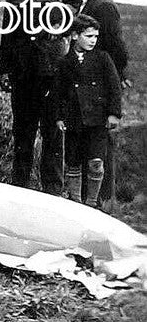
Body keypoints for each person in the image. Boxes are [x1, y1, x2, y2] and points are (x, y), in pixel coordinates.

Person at [0, 0, 74, 194]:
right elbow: (7, 32)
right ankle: (20, 189)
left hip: (50, 72)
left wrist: (58, 28)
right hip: (23, 73)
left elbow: (77, 8)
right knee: (23, 133)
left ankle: (53, 190)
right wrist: (4, 69)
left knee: (52, 132)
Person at [53, 14, 121, 206]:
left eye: (95, 37)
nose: (93, 41)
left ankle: (92, 201)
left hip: (97, 119)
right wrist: (59, 117)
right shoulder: (65, 62)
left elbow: (114, 87)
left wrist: (114, 113)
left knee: (96, 162)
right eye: (88, 36)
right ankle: (75, 200)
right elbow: (59, 92)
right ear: (75, 36)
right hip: (74, 119)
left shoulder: (102, 59)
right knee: (73, 161)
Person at [67, 0, 129, 86]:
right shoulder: (86, 1)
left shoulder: (104, 5)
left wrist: (116, 75)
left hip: (96, 77)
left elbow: (115, 45)